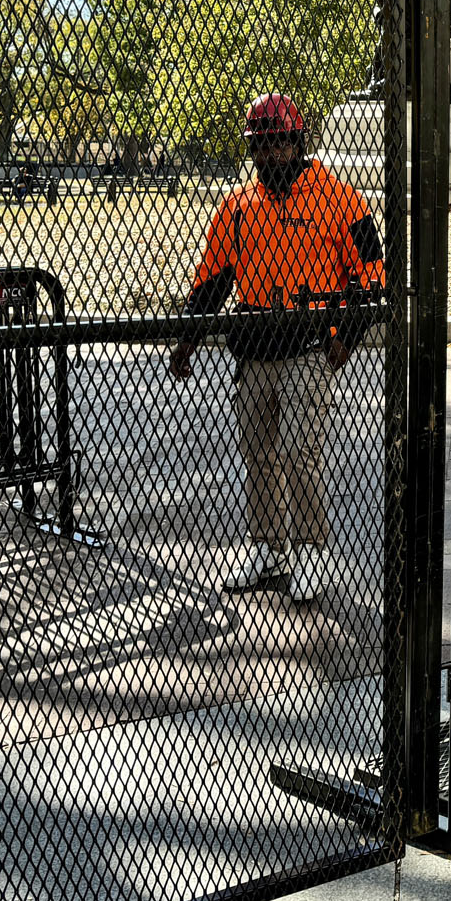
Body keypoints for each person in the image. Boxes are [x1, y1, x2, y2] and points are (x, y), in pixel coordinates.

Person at [170, 94, 385, 603]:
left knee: (298, 451)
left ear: (297, 142)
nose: (268, 156)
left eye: (277, 145)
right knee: (259, 454)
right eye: (260, 147)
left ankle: (309, 552)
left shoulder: (341, 198)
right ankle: (269, 551)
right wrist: (188, 339)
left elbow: (373, 274)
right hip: (255, 346)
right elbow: (212, 280)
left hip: (309, 345)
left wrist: (346, 339)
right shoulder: (238, 206)